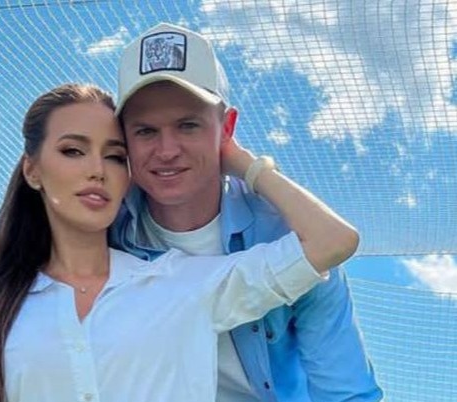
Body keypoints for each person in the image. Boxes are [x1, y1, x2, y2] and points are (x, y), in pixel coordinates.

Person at [0, 82, 358, 402]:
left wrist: (243, 163)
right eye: (73, 150)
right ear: (33, 170)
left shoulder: (179, 282)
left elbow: (332, 241)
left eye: (114, 157)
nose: (97, 170)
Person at [110, 22, 383, 402]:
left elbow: (347, 394)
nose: (167, 150)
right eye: (145, 131)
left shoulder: (296, 238)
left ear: (227, 127)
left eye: (188, 125)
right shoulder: (105, 233)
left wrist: (250, 168)